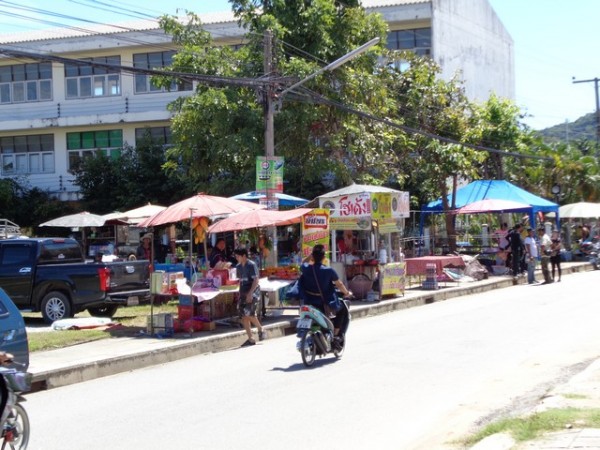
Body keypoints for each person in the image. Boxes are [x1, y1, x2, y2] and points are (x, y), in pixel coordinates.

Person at [298, 244, 352, 343]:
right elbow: (339, 284)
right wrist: (347, 293)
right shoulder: (328, 270)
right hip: (324, 303)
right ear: (324, 257)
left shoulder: (306, 268)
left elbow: (303, 262)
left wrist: (311, 255)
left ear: (313, 256)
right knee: (343, 309)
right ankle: (336, 335)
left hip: (309, 302)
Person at [233, 247, 266, 347]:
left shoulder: (251, 265)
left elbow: (256, 281)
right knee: (243, 315)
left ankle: (261, 329)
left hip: (253, 292)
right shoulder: (238, 267)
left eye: (238, 256)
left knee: (249, 313)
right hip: (243, 292)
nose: (236, 258)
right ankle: (250, 338)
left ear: (244, 256)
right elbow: (240, 281)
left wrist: (250, 293)